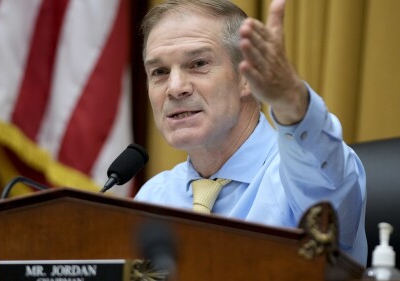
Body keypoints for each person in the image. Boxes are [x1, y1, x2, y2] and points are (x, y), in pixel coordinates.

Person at [134, 0, 367, 265]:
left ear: (247, 76)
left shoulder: (303, 174)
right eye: (160, 72)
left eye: (198, 63)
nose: (175, 88)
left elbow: (324, 180)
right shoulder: (153, 197)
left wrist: (291, 99)